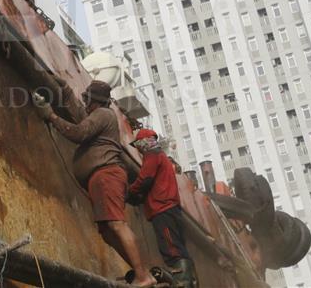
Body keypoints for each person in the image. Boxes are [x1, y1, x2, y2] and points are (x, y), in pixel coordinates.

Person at [33, 81, 156, 287]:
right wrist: (65, 91)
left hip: (106, 175)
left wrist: (51, 116)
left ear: (94, 101)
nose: (85, 103)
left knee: (117, 224)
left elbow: (79, 132)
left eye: (87, 99)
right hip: (101, 177)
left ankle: (143, 276)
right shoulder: (99, 116)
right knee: (108, 232)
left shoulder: (103, 114)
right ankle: (139, 271)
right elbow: (82, 117)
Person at [127, 129, 197, 287]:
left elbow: (145, 179)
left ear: (144, 143)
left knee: (172, 250)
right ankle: (189, 282)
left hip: (162, 209)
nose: (138, 149)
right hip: (170, 209)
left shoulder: (152, 155)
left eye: (138, 145)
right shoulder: (162, 157)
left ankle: (182, 283)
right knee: (178, 248)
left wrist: (129, 192)